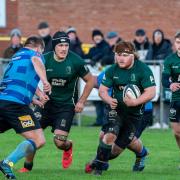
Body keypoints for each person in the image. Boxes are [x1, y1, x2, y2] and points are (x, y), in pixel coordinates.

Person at [19, 31, 94, 172]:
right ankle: (27, 167)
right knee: (33, 135)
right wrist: (40, 95)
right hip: (46, 104)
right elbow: (28, 78)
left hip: (66, 106)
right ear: (54, 46)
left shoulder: (76, 61)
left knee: (59, 142)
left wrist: (81, 101)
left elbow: (90, 80)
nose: (64, 48)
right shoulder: (44, 59)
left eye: (66, 45)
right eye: (60, 45)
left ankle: (68, 146)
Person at [85, 41, 156, 175]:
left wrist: (135, 102)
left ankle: (142, 154)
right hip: (116, 110)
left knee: (122, 146)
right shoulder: (112, 70)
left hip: (140, 112)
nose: (120, 58)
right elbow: (100, 87)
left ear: (133, 55)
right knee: (106, 135)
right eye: (118, 55)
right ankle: (99, 166)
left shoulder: (143, 70)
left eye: (124, 55)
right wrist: (108, 99)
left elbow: (151, 92)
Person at [0, 36, 51, 179]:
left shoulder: (16, 57)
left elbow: (22, 81)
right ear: (38, 47)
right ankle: (7, 163)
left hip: (3, 101)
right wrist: (45, 81)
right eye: (42, 51)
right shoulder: (35, 55)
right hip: (16, 106)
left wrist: (36, 97)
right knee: (38, 140)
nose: (41, 54)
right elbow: (36, 62)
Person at [162, 31, 180, 167]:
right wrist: (171, 84)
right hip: (176, 99)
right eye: (178, 42)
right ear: (175, 43)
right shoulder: (169, 60)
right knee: (177, 132)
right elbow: (164, 80)